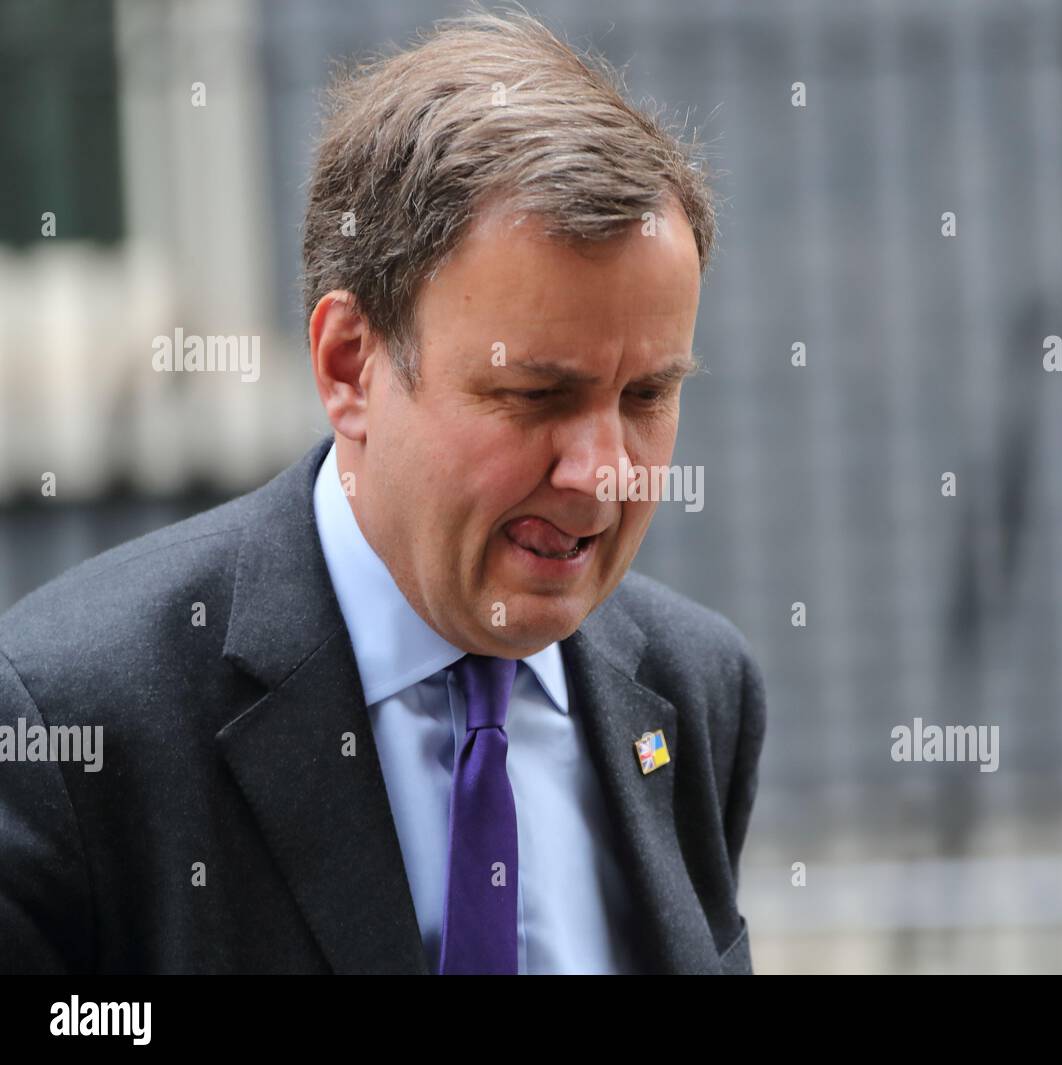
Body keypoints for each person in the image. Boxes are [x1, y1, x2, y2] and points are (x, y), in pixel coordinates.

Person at [0, 7, 764, 975]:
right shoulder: (73, 717)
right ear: (350, 364)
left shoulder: (695, 689)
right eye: (535, 393)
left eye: (647, 394)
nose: (603, 470)